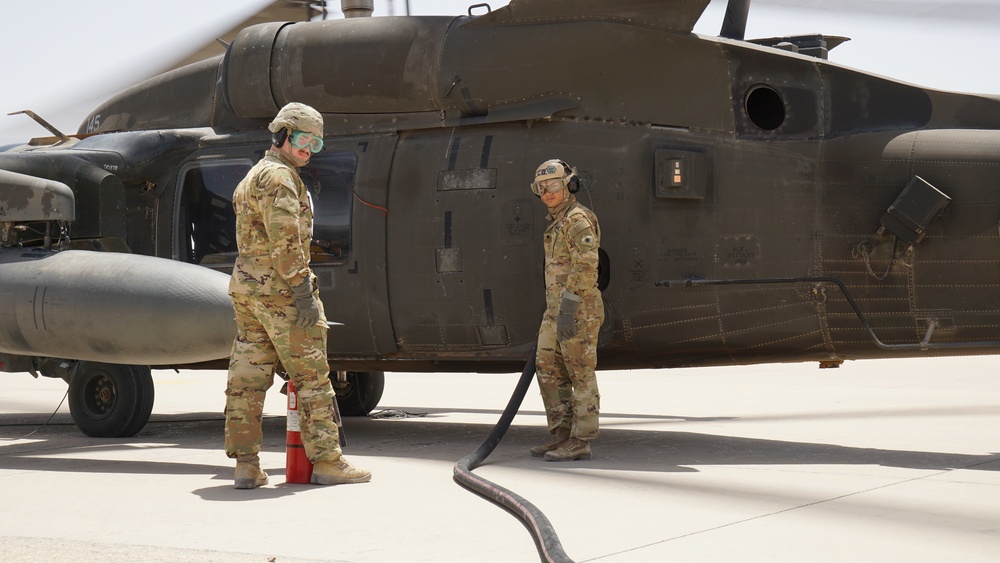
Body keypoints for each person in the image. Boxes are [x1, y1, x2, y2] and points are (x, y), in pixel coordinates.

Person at [224, 102, 371, 488]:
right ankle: (327, 460)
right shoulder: (281, 180)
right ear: (284, 135)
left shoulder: (253, 176)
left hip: (247, 291)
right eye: (305, 140)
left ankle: (246, 465)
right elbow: (287, 247)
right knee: (312, 378)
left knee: (247, 379)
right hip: (281, 293)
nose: (309, 150)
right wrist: (304, 295)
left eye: (317, 144)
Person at [529, 159, 605, 462]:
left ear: (569, 185)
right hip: (556, 309)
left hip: (577, 310)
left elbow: (587, 266)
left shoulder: (577, 220)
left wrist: (568, 308)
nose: (548, 192)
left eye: (554, 185)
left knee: (580, 372)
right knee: (546, 365)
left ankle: (581, 439)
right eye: (541, 187)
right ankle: (560, 432)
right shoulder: (557, 222)